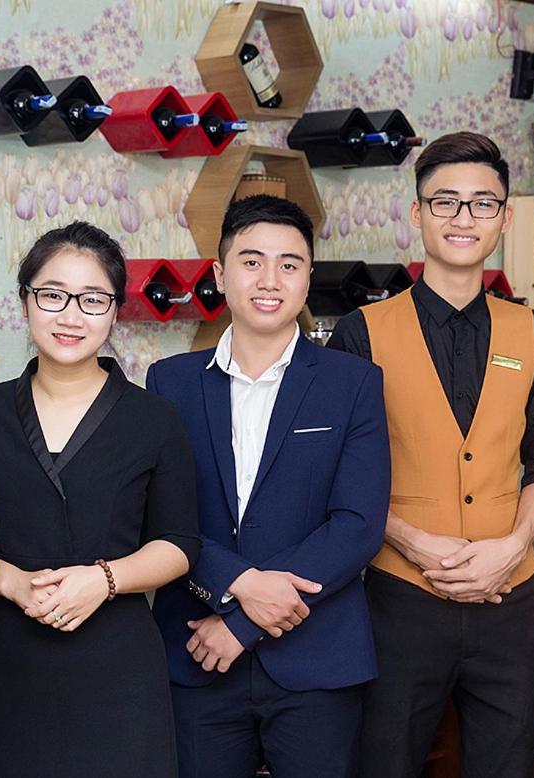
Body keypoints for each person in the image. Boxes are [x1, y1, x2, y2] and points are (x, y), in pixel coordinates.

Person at [326, 132, 534, 777]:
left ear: (504, 219)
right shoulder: (360, 333)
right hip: (396, 603)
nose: (464, 217)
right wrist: (415, 543)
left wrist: (512, 546)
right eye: (446, 201)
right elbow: (338, 474)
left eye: (482, 203)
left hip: (509, 603)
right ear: (417, 213)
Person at [146, 195, 390, 778]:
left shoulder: (353, 382)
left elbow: (357, 524)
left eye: (289, 264)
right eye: (252, 261)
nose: (270, 280)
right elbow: (162, 513)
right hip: (196, 653)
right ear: (220, 273)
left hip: (317, 659)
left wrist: (243, 621)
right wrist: (237, 584)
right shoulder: (170, 382)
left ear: (308, 278)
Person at [0, 221, 202, 778]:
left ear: (114, 311)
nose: (70, 316)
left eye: (92, 299)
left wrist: (103, 579)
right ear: (25, 301)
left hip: (116, 669)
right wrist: (12, 582)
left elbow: (180, 543)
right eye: (53, 295)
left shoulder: (154, 418)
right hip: (6, 663)